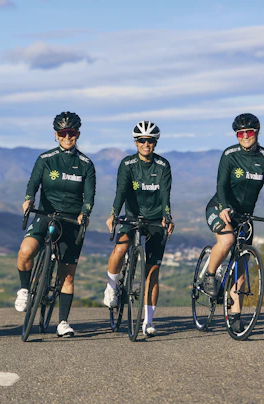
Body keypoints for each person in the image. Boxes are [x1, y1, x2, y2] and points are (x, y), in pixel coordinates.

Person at [15, 111, 96, 338]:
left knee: (67, 276)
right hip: (46, 215)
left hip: (71, 221)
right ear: (56, 135)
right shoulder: (45, 159)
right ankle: (24, 289)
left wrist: (85, 212)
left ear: (78, 134)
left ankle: (62, 322)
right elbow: (33, 184)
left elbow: (89, 196)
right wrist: (28, 199)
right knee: (25, 251)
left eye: (71, 133)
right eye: (63, 133)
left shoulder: (86, 164)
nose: (67, 137)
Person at [201, 113, 264, 332]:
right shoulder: (229, 154)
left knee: (242, 269)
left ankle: (235, 315)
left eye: (249, 132)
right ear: (237, 135)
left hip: (245, 216)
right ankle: (210, 275)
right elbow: (221, 184)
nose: (245, 137)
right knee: (227, 240)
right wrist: (225, 207)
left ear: (256, 132)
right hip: (220, 207)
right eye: (240, 133)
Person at [103, 121, 174, 337]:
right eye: (142, 140)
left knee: (152, 272)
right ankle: (112, 286)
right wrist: (114, 213)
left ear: (155, 143)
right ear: (136, 142)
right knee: (120, 249)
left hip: (155, 220)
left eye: (150, 140)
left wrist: (167, 215)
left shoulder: (163, 166)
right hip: (132, 217)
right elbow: (121, 191)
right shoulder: (127, 164)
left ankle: (149, 321)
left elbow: (165, 195)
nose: (146, 144)